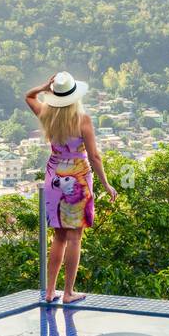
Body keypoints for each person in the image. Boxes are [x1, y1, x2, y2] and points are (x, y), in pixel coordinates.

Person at [25, 71, 117, 303]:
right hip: (77, 177)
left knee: (58, 237)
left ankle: (49, 292)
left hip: (54, 174)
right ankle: (68, 293)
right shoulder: (82, 120)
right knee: (75, 238)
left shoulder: (47, 114)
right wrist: (106, 183)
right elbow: (94, 156)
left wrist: (44, 87)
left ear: (54, 94)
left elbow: (29, 97)